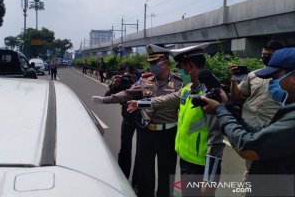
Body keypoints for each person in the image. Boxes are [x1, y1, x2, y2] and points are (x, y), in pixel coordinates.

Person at [127, 44, 224, 197]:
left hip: (200, 165)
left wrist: (209, 178)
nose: (181, 71)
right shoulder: (188, 89)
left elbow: (216, 139)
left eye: (182, 67)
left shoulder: (210, 96)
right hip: (185, 159)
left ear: (190, 66)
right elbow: (165, 99)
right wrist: (139, 103)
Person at [201, 47, 295, 196]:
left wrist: (220, 111)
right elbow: (257, 133)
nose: (272, 83)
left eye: (276, 78)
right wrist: (229, 109)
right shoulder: (287, 110)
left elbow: (248, 147)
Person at [92, 44, 182, 197]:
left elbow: (176, 100)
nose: (151, 66)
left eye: (154, 63)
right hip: (147, 132)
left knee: (166, 174)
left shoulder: (179, 82)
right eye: (150, 62)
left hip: (168, 133)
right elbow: (127, 94)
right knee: (145, 173)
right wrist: (105, 99)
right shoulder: (145, 80)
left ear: (165, 62)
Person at [102, 63, 138, 180]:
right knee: (125, 148)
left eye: (125, 73)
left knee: (142, 151)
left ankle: (138, 182)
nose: (124, 75)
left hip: (145, 118)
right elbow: (107, 96)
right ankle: (123, 178)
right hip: (128, 117)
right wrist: (113, 86)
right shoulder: (121, 81)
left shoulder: (144, 78)